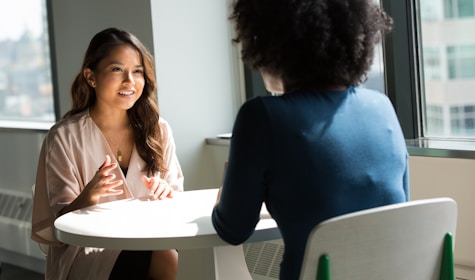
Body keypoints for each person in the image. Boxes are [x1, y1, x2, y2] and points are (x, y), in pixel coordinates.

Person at [211, 0, 409, 279]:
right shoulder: (382, 108)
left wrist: (225, 196)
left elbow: (233, 230)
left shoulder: (261, 116)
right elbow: (398, 212)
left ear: (269, 41)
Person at [31, 27, 184, 280]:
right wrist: (87, 198)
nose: (130, 81)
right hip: (87, 249)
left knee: (165, 252)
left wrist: (165, 191)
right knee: (163, 255)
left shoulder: (159, 129)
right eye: (117, 70)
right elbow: (57, 226)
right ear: (91, 77)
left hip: (148, 238)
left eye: (137, 71)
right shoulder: (64, 137)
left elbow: (175, 197)